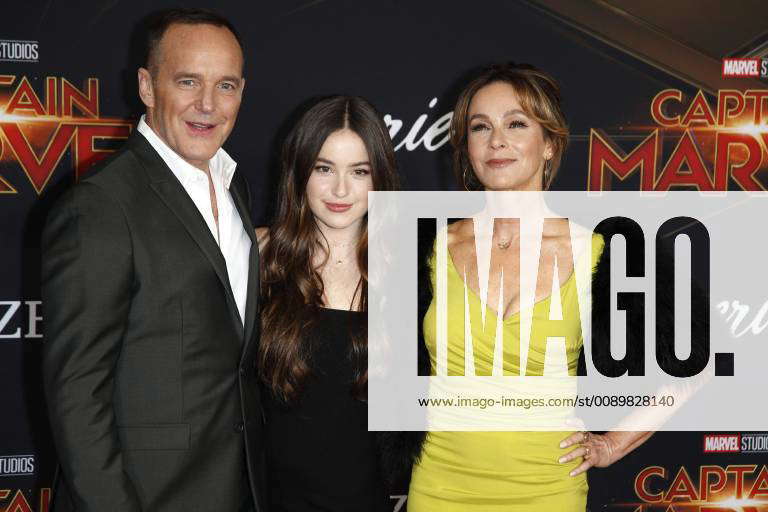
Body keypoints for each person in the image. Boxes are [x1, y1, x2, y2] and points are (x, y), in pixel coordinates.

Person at [401, 63, 656, 511]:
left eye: (516, 124)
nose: (496, 140)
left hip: (548, 490)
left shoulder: (600, 253)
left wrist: (612, 444)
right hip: (439, 486)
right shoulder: (430, 248)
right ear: (467, 147)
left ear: (550, 143)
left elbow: (695, 362)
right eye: (480, 127)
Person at [41, 8, 264, 512]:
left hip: (233, 490)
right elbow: (77, 397)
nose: (207, 104)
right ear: (146, 86)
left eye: (226, 86)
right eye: (188, 81)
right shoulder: (99, 205)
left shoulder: (235, 188)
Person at [255, 95, 400, 512]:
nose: (340, 189)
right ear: (300, 171)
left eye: (359, 171)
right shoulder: (261, 255)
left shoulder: (407, 268)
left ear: (380, 178)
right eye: (324, 168)